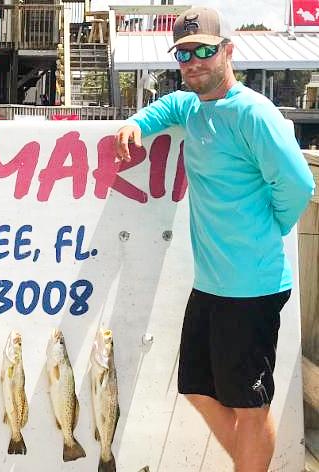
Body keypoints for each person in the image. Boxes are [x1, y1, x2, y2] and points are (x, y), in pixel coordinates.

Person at [114, 7, 314, 472]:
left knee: (250, 405)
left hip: (252, 286)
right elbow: (166, 107)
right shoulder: (192, 107)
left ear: (228, 50)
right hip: (211, 285)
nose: (194, 62)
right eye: (184, 54)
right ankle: (250, 464)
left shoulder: (254, 113)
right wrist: (136, 123)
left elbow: (298, 185)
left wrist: (271, 226)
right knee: (196, 388)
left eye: (204, 50)